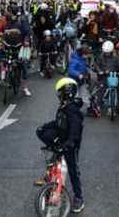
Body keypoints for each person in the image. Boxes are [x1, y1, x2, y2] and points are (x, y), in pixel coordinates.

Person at [36, 78, 85, 213]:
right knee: (41, 133)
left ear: (67, 92)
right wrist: (44, 127)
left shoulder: (73, 110)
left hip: (71, 143)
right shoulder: (64, 105)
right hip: (62, 135)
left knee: (73, 169)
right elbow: (58, 122)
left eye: (60, 92)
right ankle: (54, 161)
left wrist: (69, 144)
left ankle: (79, 198)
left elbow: (75, 131)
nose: (58, 95)